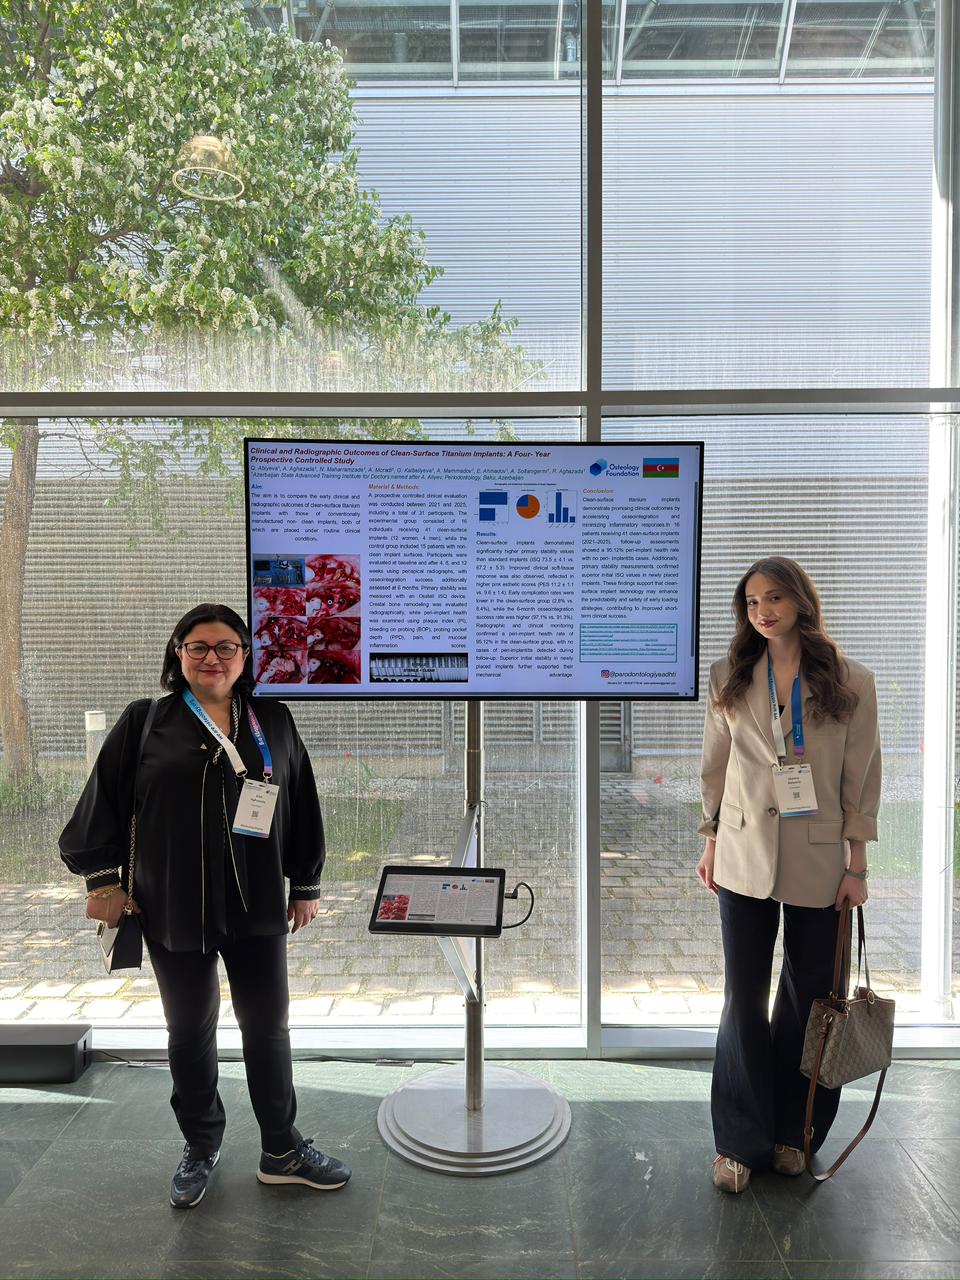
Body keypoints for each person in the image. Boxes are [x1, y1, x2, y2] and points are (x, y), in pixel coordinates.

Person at [60, 603, 351, 1209]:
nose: (212, 658)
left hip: (256, 905)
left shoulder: (273, 718)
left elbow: (300, 798)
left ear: (245, 657)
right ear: (179, 654)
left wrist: (306, 883)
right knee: (189, 1030)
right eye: (198, 647)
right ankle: (200, 1145)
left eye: (226, 647)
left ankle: (282, 1150)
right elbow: (102, 801)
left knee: (268, 1027)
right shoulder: (145, 721)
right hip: (172, 905)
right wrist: (103, 881)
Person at [697, 557, 881, 1193]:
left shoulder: (851, 680)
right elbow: (715, 768)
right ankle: (737, 1143)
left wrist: (858, 864)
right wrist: (710, 840)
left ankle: (794, 1134)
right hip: (742, 853)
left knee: (811, 1000)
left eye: (774, 598)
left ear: (801, 600)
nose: (763, 612)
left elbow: (860, 778)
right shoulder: (728, 675)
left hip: (821, 859)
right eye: (751, 602)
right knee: (743, 996)